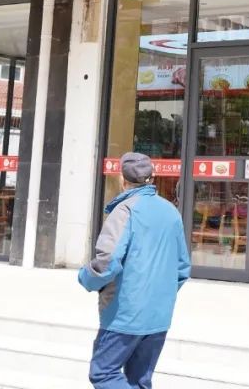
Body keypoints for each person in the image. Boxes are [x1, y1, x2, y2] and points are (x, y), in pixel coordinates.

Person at [79, 153, 191, 389]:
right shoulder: (171, 211)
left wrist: (86, 277)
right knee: (140, 381)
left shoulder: (124, 211)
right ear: (153, 177)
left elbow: (107, 262)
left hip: (125, 314)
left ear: (123, 179)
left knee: (103, 373)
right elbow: (182, 268)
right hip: (159, 315)